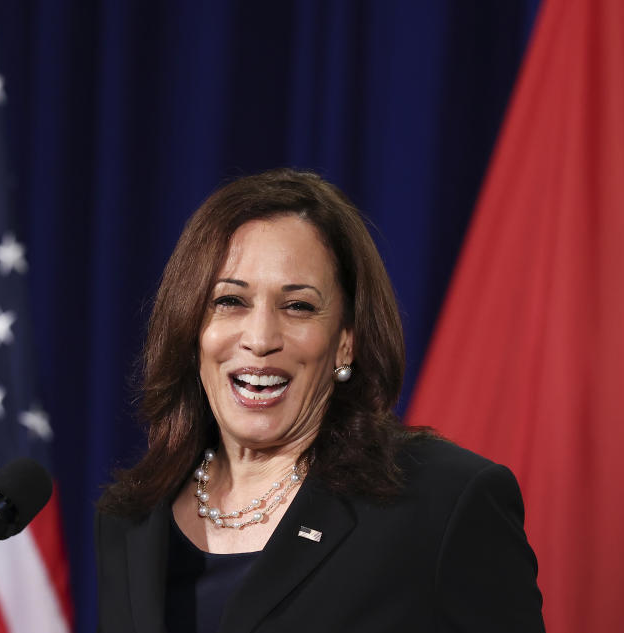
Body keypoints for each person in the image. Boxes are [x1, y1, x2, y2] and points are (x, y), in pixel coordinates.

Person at [94, 168, 545, 632]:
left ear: (345, 341)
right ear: (191, 329)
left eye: (298, 306)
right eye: (230, 301)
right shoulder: (131, 519)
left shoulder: (443, 503)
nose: (261, 338)